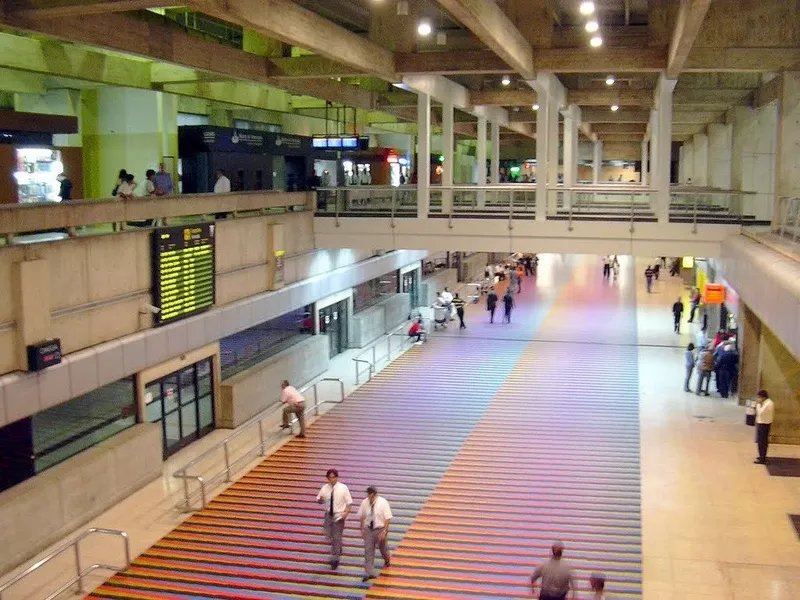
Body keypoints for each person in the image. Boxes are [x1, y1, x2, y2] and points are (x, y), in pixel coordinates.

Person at [316, 469, 352, 569]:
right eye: (330, 478)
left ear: (337, 477)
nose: (332, 479)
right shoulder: (325, 488)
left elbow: (349, 503)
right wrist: (320, 500)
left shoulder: (343, 488)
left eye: (334, 477)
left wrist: (346, 513)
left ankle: (335, 559)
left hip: (339, 515)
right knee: (328, 534)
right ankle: (338, 545)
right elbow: (319, 499)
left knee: (336, 537)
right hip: (328, 514)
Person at [357, 486, 392, 582]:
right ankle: (369, 573)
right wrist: (361, 528)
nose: (370, 498)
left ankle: (387, 559)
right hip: (368, 529)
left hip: (379, 529)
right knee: (368, 551)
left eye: (372, 496)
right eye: (369, 496)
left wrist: (385, 531)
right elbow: (362, 516)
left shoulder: (383, 502)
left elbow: (387, 518)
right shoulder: (365, 503)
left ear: (375, 495)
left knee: (383, 548)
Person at [754, 390, 774, 464]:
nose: (758, 399)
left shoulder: (769, 404)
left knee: (762, 442)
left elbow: (760, 412)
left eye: (759, 397)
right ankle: (761, 455)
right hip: (761, 423)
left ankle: (762, 458)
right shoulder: (765, 402)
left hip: (764, 424)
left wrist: (758, 405)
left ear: (764, 397)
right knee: (760, 441)